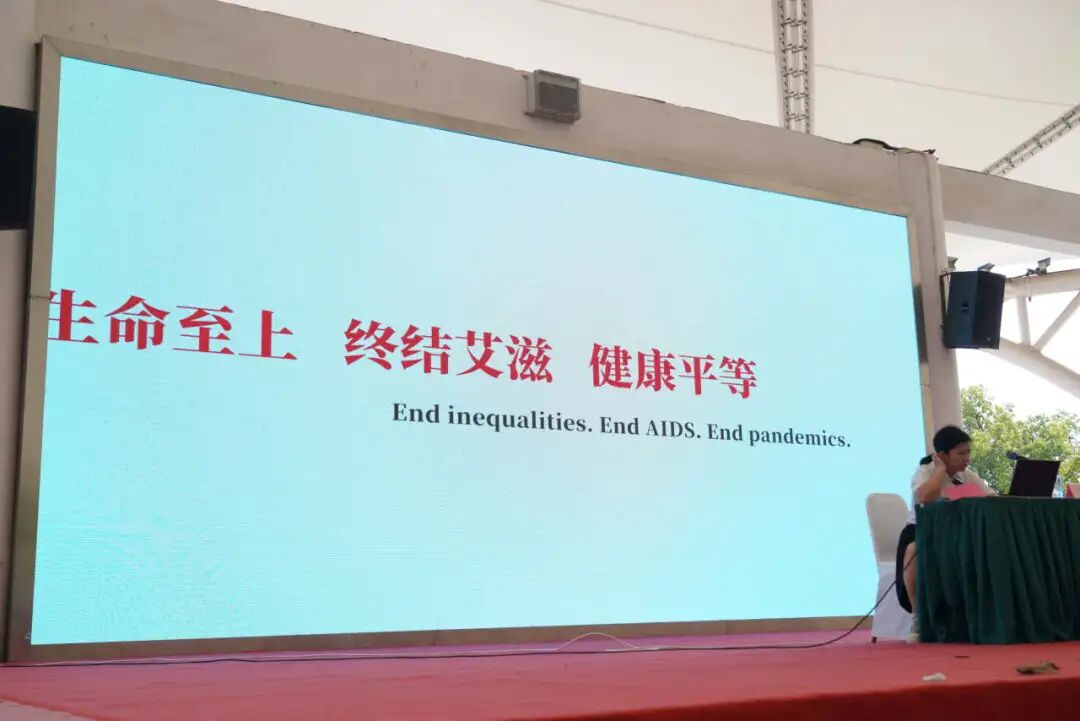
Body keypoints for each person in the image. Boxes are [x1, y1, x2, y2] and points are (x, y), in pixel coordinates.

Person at [895, 425, 994, 642]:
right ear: (942, 455)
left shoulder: (967, 476)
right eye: (960, 453)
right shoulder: (925, 471)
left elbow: (992, 499)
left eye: (968, 452)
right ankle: (918, 616)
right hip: (922, 531)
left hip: (957, 534)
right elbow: (924, 498)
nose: (967, 458)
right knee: (913, 551)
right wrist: (941, 471)